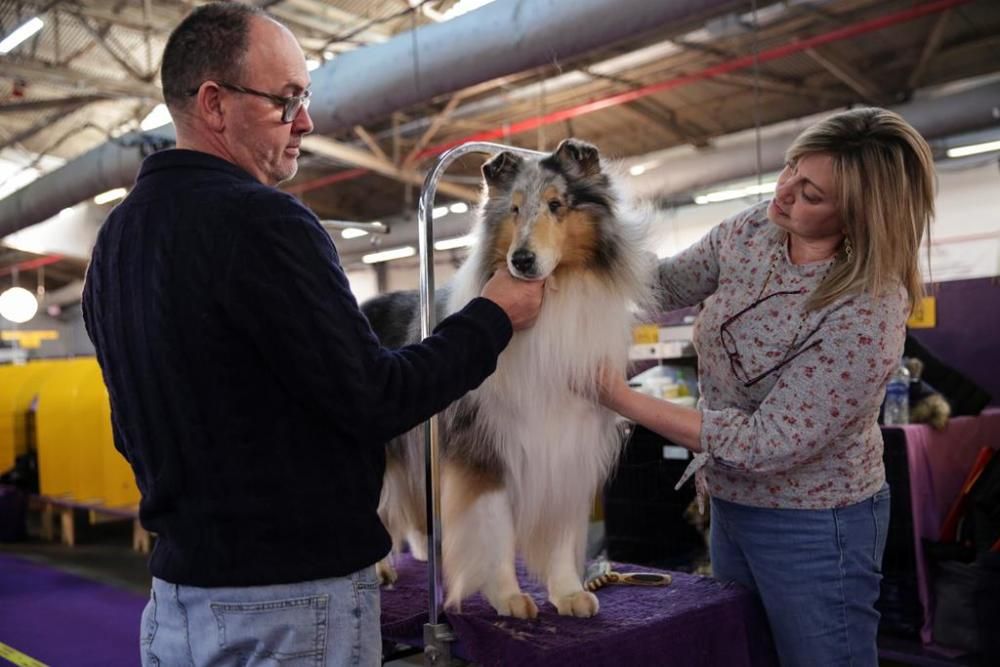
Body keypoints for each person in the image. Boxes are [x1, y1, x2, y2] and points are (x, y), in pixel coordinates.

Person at [81, 3, 544, 666]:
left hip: (176, 603)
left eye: (306, 97)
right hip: (287, 608)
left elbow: (133, 429)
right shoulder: (262, 223)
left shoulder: (116, 243)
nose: (307, 121)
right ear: (214, 104)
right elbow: (377, 398)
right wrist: (492, 314)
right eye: (287, 99)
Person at [598, 107, 934, 666]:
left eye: (812, 194)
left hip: (816, 526)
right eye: (789, 170)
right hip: (732, 503)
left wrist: (617, 396)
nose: (784, 194)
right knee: (748, 652)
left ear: (858, 218)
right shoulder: (755, 228)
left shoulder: (867, 308)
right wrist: (588, 253)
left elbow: (766, 441)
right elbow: (667, 281)